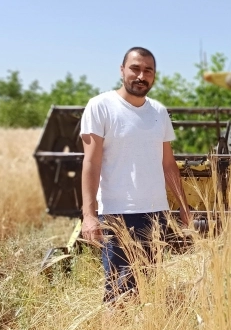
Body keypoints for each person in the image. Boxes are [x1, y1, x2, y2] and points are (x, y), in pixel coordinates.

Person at [80, 47, 191, 304]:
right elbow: (91, 162)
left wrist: (184, 208)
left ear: (154, 76)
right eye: (135, 69)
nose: (141, 76)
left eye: (148, 71)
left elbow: (168, 164)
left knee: (147, 288)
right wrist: (89, 214)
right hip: (118, 213)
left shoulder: (159, 112)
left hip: (156, 214)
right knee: (117, 293)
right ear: (122, 70)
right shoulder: (100, 106)